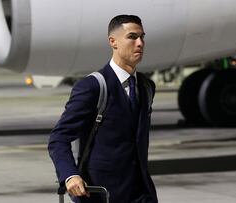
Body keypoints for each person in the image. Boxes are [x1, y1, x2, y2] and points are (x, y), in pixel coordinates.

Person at [48, 14, 158, 203]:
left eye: (142, 37)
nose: (140, 43)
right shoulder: (93, 86)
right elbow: (59, 138)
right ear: (113, 42)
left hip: (141, 194)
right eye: (132, 37)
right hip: (101, 195)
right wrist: (70, 176)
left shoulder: (146, 87)